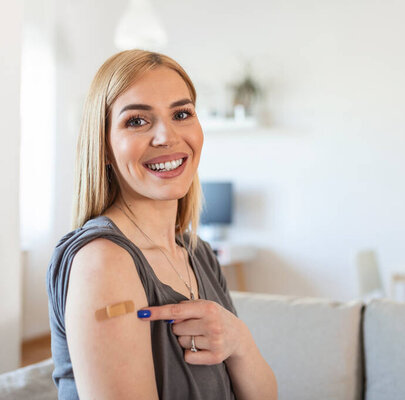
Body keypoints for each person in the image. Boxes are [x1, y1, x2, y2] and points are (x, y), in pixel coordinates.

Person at [46, 49, 277, 400]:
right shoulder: (103, 261)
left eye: (182, 114)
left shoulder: (197, 254)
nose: (166, 137)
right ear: (105, 147)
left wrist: (240, 341)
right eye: (137, 121)